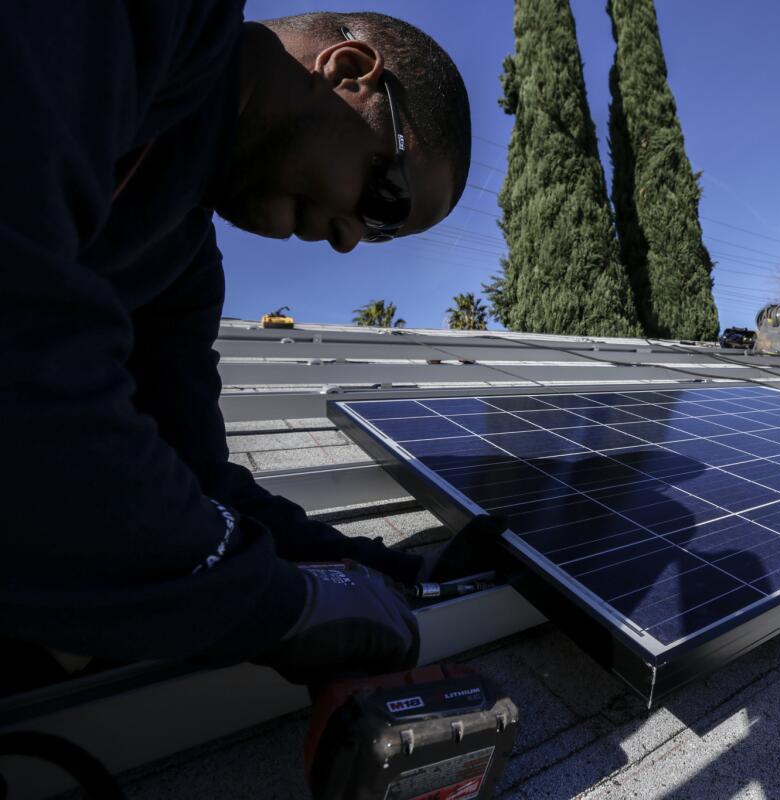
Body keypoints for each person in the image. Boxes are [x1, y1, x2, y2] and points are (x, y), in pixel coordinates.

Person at [1, 4, 479, 690]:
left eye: (377, 238)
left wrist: (378, 567)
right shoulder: (156, 22)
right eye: (383, 205)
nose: (351, 241)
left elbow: (190, 475)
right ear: (348, 72)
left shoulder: (180, 261)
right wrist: (276, 608)